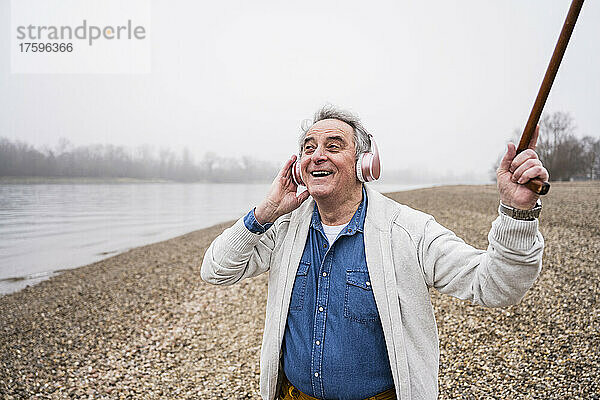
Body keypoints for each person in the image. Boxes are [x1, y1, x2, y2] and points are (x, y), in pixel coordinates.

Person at [201, 106, 548, 400]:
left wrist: (516, 211)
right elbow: (216, 270)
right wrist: (264, 213)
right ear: (298, 167)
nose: (317, 155)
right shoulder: (283, 228)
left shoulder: (410, 231)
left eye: (333, 146)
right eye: (309, 148)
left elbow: (495, 284)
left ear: (365, 163)